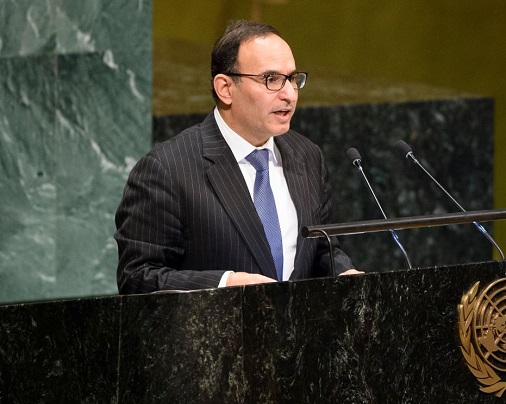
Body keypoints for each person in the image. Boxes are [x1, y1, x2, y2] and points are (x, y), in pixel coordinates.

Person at [114, 20, 360, 294]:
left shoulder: (306, 155)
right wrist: (226, 284)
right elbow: (138, 277)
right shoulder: (166, 169)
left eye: (292, 79)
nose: (289, 94)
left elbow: (322, 249)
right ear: (225, 88)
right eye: (271, 79)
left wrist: (344, 274)